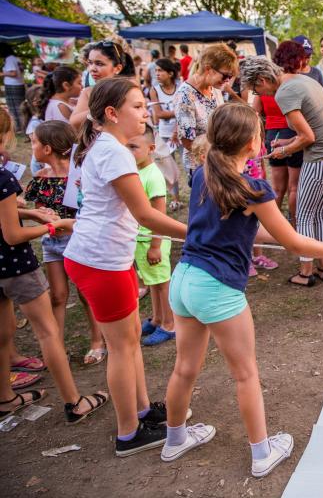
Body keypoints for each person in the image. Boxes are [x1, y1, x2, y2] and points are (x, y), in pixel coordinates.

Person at [160, 103, 323, 475]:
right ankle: (262, 454)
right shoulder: (253, 189)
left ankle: (175, 438)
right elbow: (294, 244)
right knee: (245, 374)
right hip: (216, 288)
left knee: (184, 369)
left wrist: (283, 236)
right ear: (252, 143)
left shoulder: (204, 174)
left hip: (184, 280)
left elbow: (250, 231)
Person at [63, 77, 188, 456]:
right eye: (137, 106)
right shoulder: (114, 151)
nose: (145, 111)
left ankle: (143, 410)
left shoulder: (107, 146)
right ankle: (128, 432)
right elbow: (145, 214)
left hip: (102, 258)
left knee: (130, 339)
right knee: (121, 348)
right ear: (112, 113)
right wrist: (197, 233)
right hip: (101, 262)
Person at [0, 108, 108, 424]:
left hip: (69, 243)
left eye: (32, 140)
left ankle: (7, 398)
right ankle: (74, 400)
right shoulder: (11, 178)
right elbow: (12, 232)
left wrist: (34, 216)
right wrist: (48, 225)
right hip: (24, 258)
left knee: (8, 332)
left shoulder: (77, 173)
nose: (25, 143)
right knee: (51, 319)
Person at [240, 54, 323, 287]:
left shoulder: (284, 92)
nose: (260, 95)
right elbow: (314, 127)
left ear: (263, 79)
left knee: (305, 214)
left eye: (256, 89)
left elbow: (309, 136)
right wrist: (286, 143)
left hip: (318, 159)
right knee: (319, 213)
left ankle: (306, 273)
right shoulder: (303, 79)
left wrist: (283, 152)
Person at [25, 121, 107, 365]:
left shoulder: (81, 175)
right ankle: (56, 345)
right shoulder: (40, 178)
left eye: (34, 142)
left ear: (48, 148)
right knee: (58, 295)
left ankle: (97, 341)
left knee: (85, 293)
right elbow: (39, 208)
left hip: (78, 240)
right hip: (51, 243)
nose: (32, 147)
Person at [127, 125, 176, 346]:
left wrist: (156, 245)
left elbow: (159, 214)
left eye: (133, 147)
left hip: (152, 240)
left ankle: (169, 324)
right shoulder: (136, 171)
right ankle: (157, 319)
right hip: (141, 240)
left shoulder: (153, 175)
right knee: (152, 282)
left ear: (151, 148)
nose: (128, 152)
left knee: (162, 283)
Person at [175, 44, 238, 184]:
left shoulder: (214, 88)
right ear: (209, 69)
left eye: (230, 77)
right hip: (201, 166)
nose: (227, 81)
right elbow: (187, 141)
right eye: (225, 75)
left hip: (220, 159)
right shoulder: (185, 94)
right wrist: (214, 157)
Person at [253, 68, 301, 220]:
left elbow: (255, 113)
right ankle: (294, 225)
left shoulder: (261, 89)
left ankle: (271, 223)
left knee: (277, 188)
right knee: (294, 187)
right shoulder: (288, 87)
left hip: (272, 136)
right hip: (292, 133)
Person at [70, 39, 136, 128]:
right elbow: (74, 122)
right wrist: (99, 110)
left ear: (117, 69)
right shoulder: (89, 92)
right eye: (90, 63)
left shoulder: (129, 91)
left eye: (99, 64)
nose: (92, 69)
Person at [151, 58, 182, 210]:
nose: (157, 73)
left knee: (191, 166)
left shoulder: (181, 87)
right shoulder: (154, 90)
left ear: (170, 73)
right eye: (156, 70)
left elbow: (186, 111)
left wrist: (176, 128)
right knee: (168, 168)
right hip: (164, 134)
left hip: (183, 132)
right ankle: (176, 199)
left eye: (160, 70)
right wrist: (177, 113)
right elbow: (158, 114)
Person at [0, 43, 26, 133]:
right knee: (19, 107)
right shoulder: (16, 58)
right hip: (19, 84)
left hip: (13, 86)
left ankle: (19, 128)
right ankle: (21, 128)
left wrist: (2, 74)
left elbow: (13, 73)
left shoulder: (9, 59)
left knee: (14, 108)